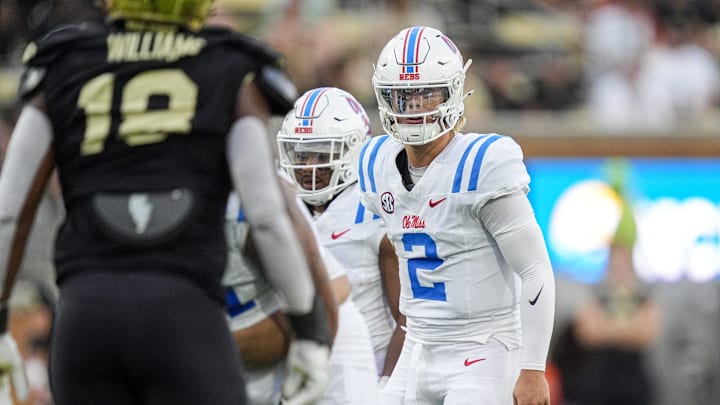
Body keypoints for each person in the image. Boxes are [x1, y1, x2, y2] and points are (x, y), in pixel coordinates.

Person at [0, 1, 332, 404]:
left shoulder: (64, 61)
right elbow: (265, 215)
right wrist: (308, 328)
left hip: (86, 316)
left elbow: (9, 212)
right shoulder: (230, 66)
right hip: (184, 313)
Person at [358, 26, 556, 405]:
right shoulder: (374, 163)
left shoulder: (482, 165)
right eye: (402, 96)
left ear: (453, 92)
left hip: (482, 346)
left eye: (425, 94)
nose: (414, 107)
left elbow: (535, 270)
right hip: (417, 346)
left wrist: (533, 369)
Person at [277, 87, 405, 396]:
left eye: (321, 153)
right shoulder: (283, 207)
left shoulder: (374, 207)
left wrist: (387, 386)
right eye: (300, 153)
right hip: (299, 365)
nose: (307, 166)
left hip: (365, 367)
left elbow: (407, 318)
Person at [553, 182, 661, 405]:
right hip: (600, 382)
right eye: (615, 260)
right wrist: (626, 328)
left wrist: (609, 327)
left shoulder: (644, 295)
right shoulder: (596, 294)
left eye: (624, 260)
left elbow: (647, 333)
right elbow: (588, 332)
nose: (619, 266)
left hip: (634, 384)